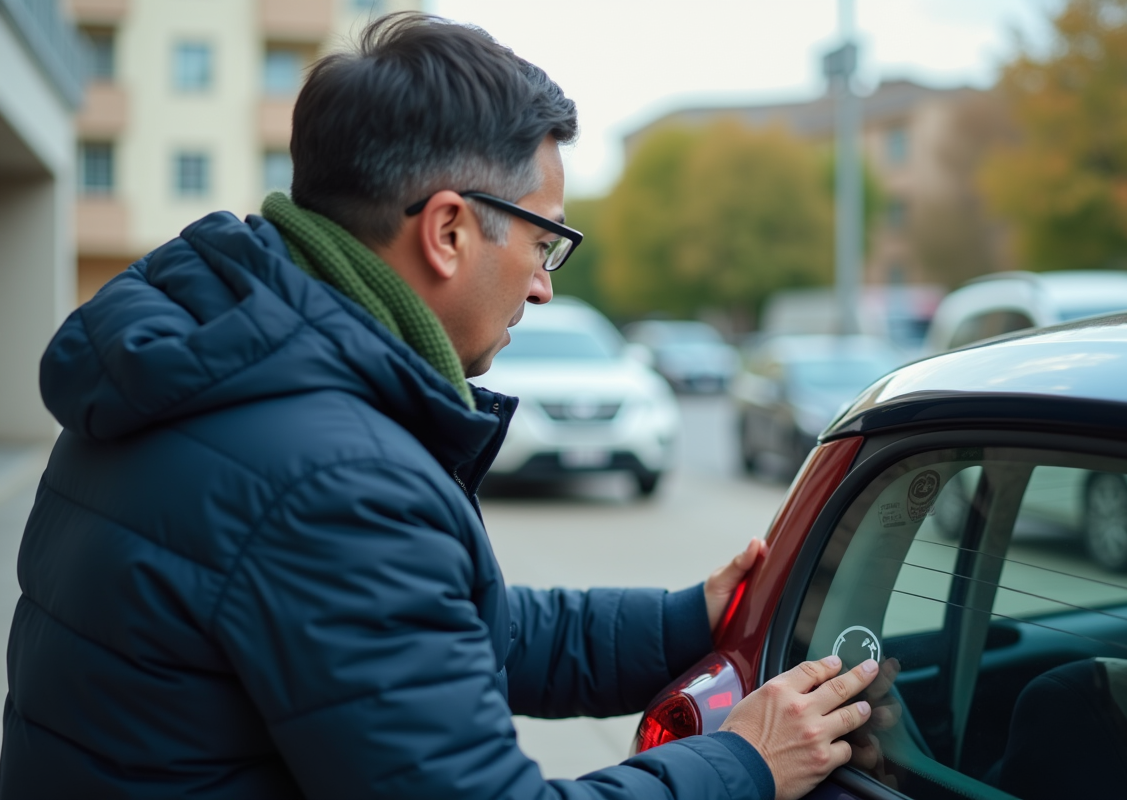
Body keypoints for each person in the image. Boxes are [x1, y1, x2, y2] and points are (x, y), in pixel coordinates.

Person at [0, 13, 878, 799]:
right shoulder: (332, 477)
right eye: (544, 240)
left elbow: (444, 629)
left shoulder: (201, 370)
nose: (542, 286)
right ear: (449, 230)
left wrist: (688, 619)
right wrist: (744, 763)